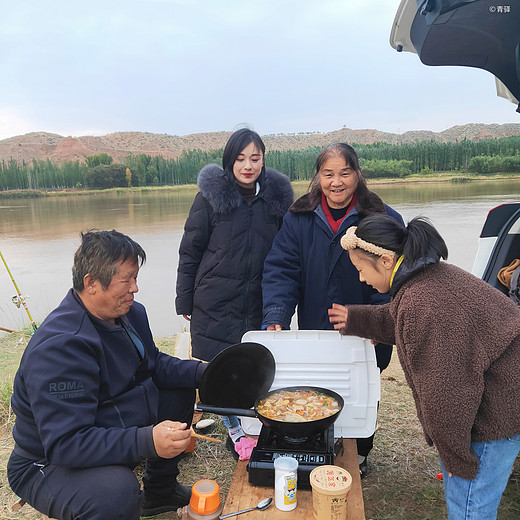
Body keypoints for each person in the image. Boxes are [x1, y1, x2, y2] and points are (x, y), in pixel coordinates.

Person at [329, 214, 520, 520]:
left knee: (471, 505)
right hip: (500, 391)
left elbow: (447, 391)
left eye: (361, 269)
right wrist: (357, 319)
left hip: (497, 409)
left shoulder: (423, 301)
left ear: (387, 261)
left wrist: (457, 458)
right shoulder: (426, 279)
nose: (362, 278)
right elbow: (399, 319)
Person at [8, 230, 206, 520]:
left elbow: (153, 364)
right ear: (91, 283)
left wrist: (207, 373)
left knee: (180, 385)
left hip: (99, 421)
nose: (135, 288)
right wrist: (147, 440)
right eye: (126, 280)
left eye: (136, 278)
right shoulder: (61, 348)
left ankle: (160, 492)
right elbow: (66, 443)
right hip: (45, 462)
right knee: (116, 493)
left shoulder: (129, 315)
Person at [261, 142, 403, 476]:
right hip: (316, 323)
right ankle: (318, 446)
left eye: (345, 173)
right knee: (319, 383)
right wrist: (276, 315)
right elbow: (281, 269)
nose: (336, 182)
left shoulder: (382, 217)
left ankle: (360, 453)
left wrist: (376, 322)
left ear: (357, 173)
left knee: (362, 384)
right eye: (328, 174)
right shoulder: (298, 218)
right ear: (318, 177)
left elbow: (394, 274)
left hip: (367, 327)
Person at [175, 128, 293, 449]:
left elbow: (287, 255)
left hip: (259, 300)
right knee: (220, 368)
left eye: (255, 158)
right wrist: (183, 298)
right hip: (215, 300)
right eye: (240, 158)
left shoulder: (276, 201)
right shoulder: (210, 199)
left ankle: (254, 426)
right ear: (230, 161)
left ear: (263, 159)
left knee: (256, 367)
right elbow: (190, 251)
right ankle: (235, 432)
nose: (248, 166)